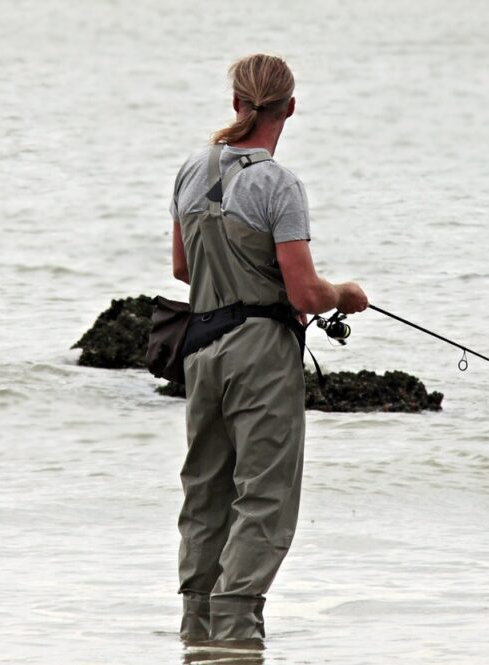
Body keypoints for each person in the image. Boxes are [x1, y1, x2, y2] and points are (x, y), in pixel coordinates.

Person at [169, 53, 368, 643]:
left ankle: (196, 632)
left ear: (236, 103)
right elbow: (306, 291)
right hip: (260, 353)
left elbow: (183, 269)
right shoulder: (277, 183)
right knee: (265, 497)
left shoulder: (189, 170)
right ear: (290, 108)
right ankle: (235, 632)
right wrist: (347, 295)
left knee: (205, 493)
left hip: (200, 350)